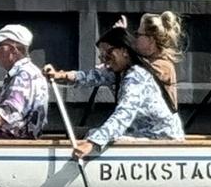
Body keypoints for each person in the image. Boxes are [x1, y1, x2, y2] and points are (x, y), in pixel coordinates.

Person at [47, 27, 183, 159]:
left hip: (162, 140)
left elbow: (124, 113)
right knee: (89, 132)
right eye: (102, 56)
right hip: (142, 133)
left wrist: (92, 143)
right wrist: (60, 75)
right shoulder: (120, 72)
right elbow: (91, 76)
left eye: (108, 53)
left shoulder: (136, 77)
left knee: (92, 135)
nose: (105, 60)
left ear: (124, 50)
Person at [115, 10, 187, 113]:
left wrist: (123, 45)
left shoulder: (162, 67)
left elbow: (137, 76)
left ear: (151, 40)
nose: (136, 39)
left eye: (138, 35)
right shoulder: (149, 61)